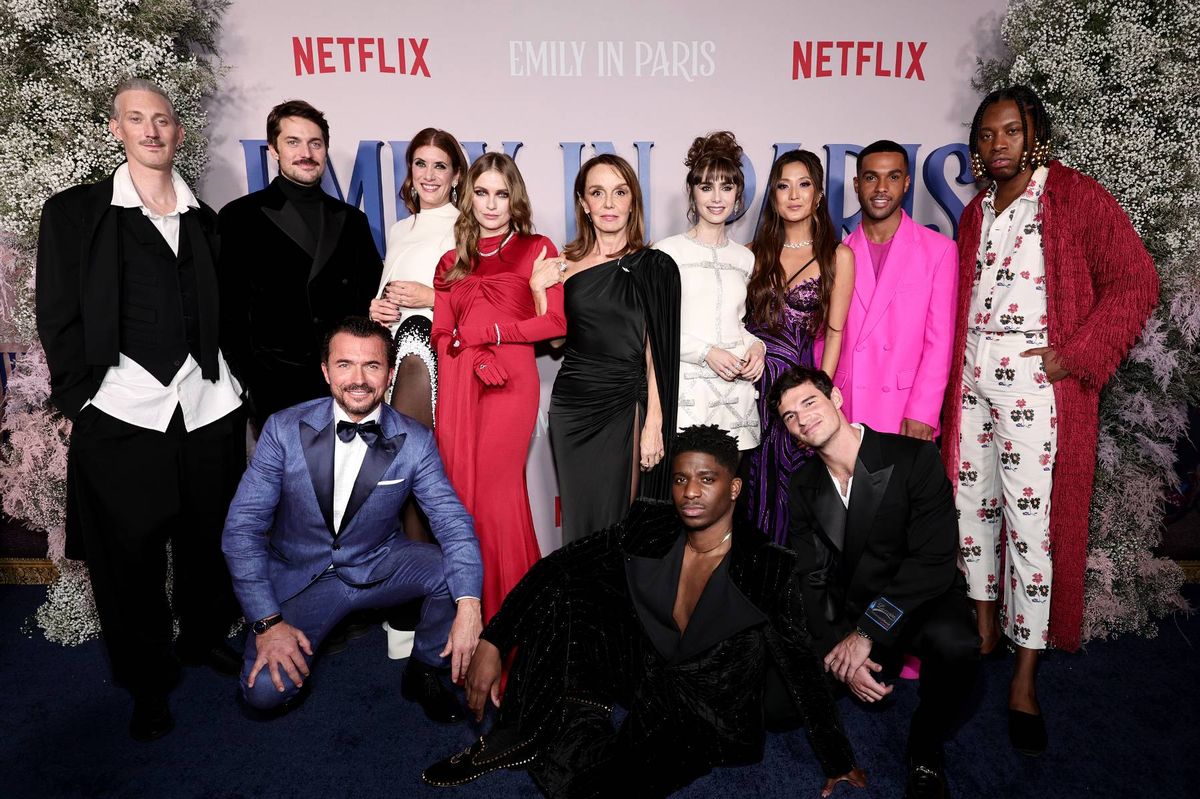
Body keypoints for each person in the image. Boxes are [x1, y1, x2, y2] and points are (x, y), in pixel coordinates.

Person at [422, 425, 867, 799]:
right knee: (569, 590)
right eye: (680, 479)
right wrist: (495, 638)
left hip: (705, 718)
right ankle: (520, 733)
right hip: (646, 674)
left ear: (733, 488)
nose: (690, 492)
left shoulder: (767, 566)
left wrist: (838, 760)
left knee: (594, 789)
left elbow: (800, 667)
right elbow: (559, 565)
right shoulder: (651, 524)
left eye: (706, 479)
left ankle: (574, 718)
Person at [942, 85, 1158, 754]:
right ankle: (984, 629)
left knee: (1031, 526)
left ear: (1035, 134)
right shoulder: (975, 211)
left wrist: (1076, 355)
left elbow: (1136, 280)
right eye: (986, 134)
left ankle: (1025, 676)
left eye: (1010, 130)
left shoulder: (1073, 196)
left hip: (1035, 384)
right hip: (972, 378)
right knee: (971, 508)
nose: (997, 144)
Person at [35, 78, 245, 740]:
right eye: (136, 118)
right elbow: (57, 313)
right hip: (123, 410)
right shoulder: (75, 213)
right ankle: (147, 680)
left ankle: (203, 637)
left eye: (161, 119)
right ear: (115, 129)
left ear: (177, 131)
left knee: (208, 540)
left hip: (207, 407)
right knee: (128, 560)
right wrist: (83, 399)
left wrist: (235, 384)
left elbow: (223, 311)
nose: (151, 130)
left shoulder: (205, 217)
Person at [221, 316, 483, 724]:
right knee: (264, 693)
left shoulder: (415, 440)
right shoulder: (283, 429)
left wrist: (470, 605)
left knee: (456, 576)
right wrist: (268, 623)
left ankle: (424, 669)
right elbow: (242, 529)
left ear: (390, 374)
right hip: (302, 575)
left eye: (372, 366)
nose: (358, 380)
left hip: (378, 562)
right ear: (326, 371)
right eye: (345, 364)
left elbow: (452, 521)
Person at [776, 366, 979, 799]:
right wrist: (840, 648)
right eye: (790, 416)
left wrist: (867, 632)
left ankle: (925, 749)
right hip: (853, 611)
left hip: (919, 599)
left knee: (958, 646)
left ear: (836, 398)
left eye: (809, 402)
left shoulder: (914, 457)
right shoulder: (803, 484)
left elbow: (933, 560)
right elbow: (812, 577)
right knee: (777, 708)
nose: (802, 418)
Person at [430, 152, 566, 620]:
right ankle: (472, 614)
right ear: (469, 197)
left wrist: (490, 336)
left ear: (515, 199)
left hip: (511, 384)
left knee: (498, 497)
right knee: (465, 498)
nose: (491, 204)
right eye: (482, 193)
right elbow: (441, 334)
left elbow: (554, 323)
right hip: (464, 383)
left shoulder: (536, 248)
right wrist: (475, 353)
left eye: (502, 194)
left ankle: (512, 618)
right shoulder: (451, 261)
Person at [542, 153, 681, 543]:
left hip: (625, 401)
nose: (608, 203)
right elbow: (555, 339)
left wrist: (654, 423)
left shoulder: (654, 266)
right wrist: (539, 288)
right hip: (573, 405)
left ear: (633, 201)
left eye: (619, 192)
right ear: (583, 203)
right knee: (580, 525)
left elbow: (657, 353)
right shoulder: (564, 266)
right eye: (597, 193)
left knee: (620, 523)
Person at [217, 99, 382, 427]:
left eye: (315, 143)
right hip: (276, 388)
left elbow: (370, 304)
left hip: (346, 387)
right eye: (293, 142)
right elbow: (227, 311)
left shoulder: (352, 221)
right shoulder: (240, 217)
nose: (306, 153)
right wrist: (251, 380)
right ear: (273, 149)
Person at [745, 150, 854, 545]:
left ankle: (795, 576)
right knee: (751, 478)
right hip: (750, 384)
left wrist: (817, 393)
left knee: (794, 482)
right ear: (773, 195)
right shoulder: (753, 253)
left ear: (818, 194)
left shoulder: (837, 256)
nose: (794, 195)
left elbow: (835, 332)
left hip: (795, 384)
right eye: (783, 185)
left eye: (804, 184)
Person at [824, 140, 957, 439]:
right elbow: (824, 339)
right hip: (846, 405)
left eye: (893, 177)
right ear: (857, 184)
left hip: (905, 408)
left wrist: (923, 410)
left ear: (906, 183)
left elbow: (940, 341)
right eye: (871, 177)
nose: (881, 188)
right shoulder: (836, 254)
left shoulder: (939, 251)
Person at [654, 131, 765, 452]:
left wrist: (757, 348)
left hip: (737, 393)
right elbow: (656, 329)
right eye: (706, 187)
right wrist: (706, 353)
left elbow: (737, 324)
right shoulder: (667, 253)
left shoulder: (745, 258)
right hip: (687, 392)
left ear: (738, 194)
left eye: (726, 187)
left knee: (733, 482)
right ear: (692, 193)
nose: (717, 198)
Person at [368, 127, 466, 428]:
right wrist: (375, 309)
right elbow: (388, 292)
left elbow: (483, 303)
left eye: (440, 166)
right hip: (390, 355)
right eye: (421, 163)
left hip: (435, 354)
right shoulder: (399, 229)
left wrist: (431, 297)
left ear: (456, 176)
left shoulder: (467, 228)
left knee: (411, 447)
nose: (429, 175)